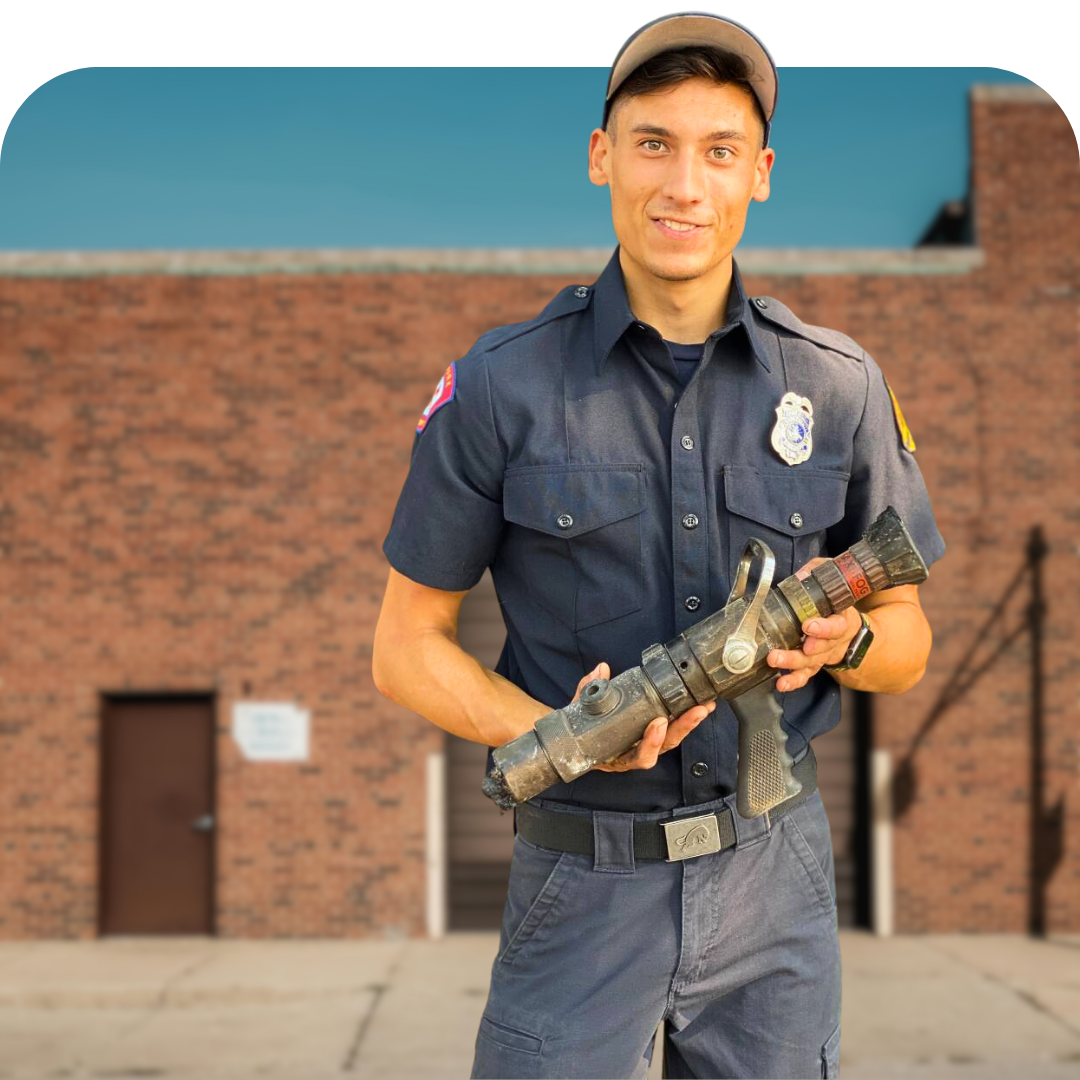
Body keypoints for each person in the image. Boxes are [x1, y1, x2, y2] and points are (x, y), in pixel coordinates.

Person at [374, 12, 945, 1079]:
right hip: (579, 876)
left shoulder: (836, 383)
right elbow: (403, 648)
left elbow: (907, 637)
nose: (684, 184)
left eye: (719, 151)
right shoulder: (501, 386)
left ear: (759, 175)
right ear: (602, 156)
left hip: (774, 877)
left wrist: (845, 649)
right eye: (653, 143)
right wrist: (563, 731)